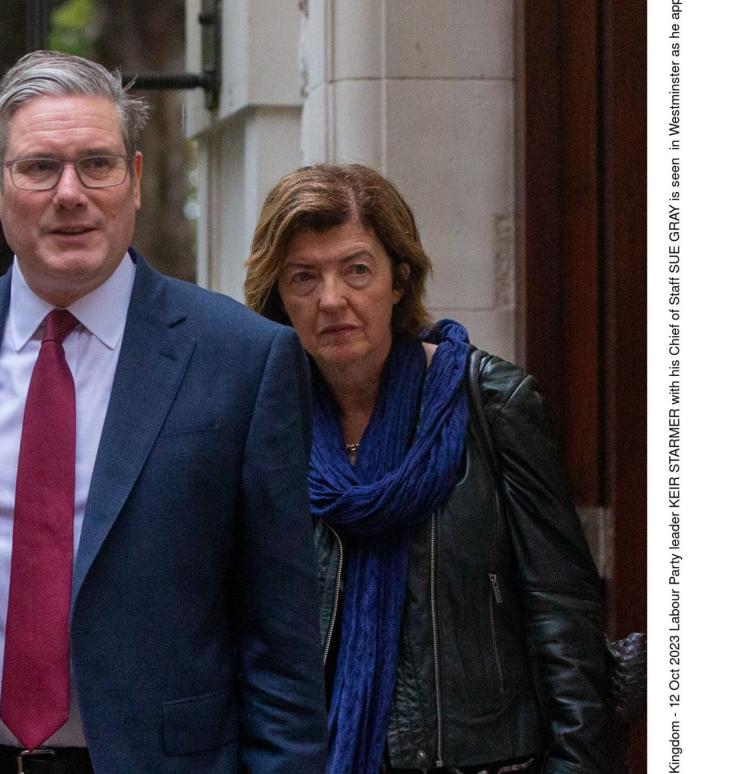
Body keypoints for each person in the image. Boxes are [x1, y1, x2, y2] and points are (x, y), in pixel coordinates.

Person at [0, 51, 326, 774]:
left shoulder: (243, 362)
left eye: (96, 164)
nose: (71, 193)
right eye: (39, 168)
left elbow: (281, 653)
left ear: (134, 180)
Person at [243, 164, 612, 774]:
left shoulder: (490, 404)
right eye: (303, 277)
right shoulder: (260, 423)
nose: (332, 298)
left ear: (399, 277)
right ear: (278, 295)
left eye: (357, 269)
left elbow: (564, 620)